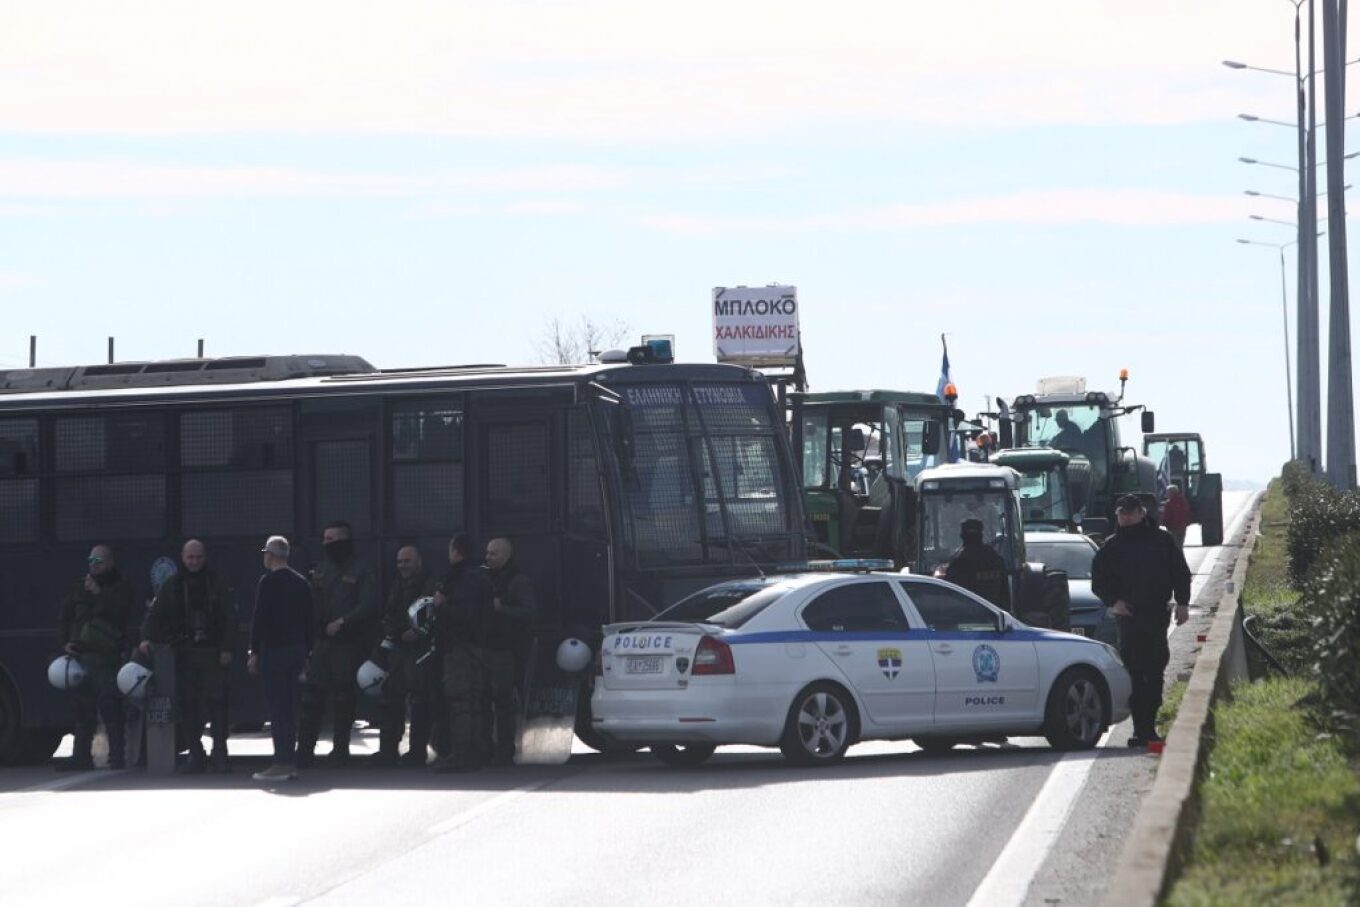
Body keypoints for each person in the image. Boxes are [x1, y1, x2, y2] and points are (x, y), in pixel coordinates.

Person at [1091, 494, 1192, 747]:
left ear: (1141, 513)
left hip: (1156, 615)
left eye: (1130, 512)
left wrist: (1182, 603)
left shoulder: (1161, 541)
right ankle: (1140, 729)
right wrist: (1114, 602)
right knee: (1134, 672)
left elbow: (1180, 572)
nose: (1125, 516)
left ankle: (1150, 725)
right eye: (1121, 512)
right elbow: (1098, 581)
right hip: (1129, 618)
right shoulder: (1112, 546)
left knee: (1155, 669)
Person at [139, 539, 237, 774]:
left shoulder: (217, 583)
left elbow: (230, 620)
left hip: (212, 652)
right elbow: (154, 616)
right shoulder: (172, 585)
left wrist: (227, 648)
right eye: (190, 557)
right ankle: (196, 753)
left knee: (218, 705)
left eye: (198, 557)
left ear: (205, 557)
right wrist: (146, 638)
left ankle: (220, 753)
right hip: (184, 653)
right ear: (183, 558)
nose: (194, 562)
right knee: (188, 705)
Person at [298, 520, 378, 767]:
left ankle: (341, 750)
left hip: (347, 643)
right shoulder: (321, 569)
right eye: (325, 539)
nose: (326, 544)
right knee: (311, 697)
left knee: (343, 697)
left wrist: (343, 622)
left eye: (331, 540)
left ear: (345, 540)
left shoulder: (361, 570)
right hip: (322, 644)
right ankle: (305, 750)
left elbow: (369, 605)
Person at [56, 544, 134, 770]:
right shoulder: (80, 587)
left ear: (110, 562)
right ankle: (81, 757)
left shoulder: (120, 586)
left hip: (107, 657)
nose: (94, 565)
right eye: (91, 561)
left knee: (110, 705)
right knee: (82, 709)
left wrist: (100, 594)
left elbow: (121, 612)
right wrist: (65, 642)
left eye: (99, 561)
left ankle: (117, 755)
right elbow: (65, 617)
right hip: (81, 656)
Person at [247, 535, 312, 782]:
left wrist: (254, 651)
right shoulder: (301, 583)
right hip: (296, 651)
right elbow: (309, 621)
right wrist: (306, 652)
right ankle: (290, 760)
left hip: (274, 651)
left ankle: (281, 762)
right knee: (291, 708)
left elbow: (260, 619)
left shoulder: (268, 582)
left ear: (270, 555)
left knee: (277, 709)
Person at [372, 546, 441, 767]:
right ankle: (388, 750)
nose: (403, 565)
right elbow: (390, 614)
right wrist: (396, 632)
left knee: (420, 701)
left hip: (420, 652)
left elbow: (434, 616)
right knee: (391, 697)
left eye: (407, 561)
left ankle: (417, 752)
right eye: (400, 561)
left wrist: (418, 633)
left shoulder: (431, 585)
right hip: (399, 651)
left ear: (419, 561)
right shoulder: (397, 585)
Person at [431, 534, 493, 773]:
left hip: (460, 647)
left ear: (456, 551)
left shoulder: (462, 579)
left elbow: (461, 615)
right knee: (474, 700)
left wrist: (441, 605)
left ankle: (462, 753)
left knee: (460, 701)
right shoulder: (481, 576)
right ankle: (476, 751)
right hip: (476, 645)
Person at [482, 537, 537, 767]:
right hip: (484, 647)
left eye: (493, 554)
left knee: (503, 702)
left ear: (505, 556)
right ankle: (486, 748)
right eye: (487, 553)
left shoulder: (517, 580)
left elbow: (530, 612)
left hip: (506, 649)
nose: (488, 557)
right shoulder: (485, 578)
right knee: (483, 701)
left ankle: (505, 750)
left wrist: (501, 608)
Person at [943, 518, 1011, 610]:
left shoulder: (958, 563)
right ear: (981, 535)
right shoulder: (996, 559)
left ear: (962, 536)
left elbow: (950, 597)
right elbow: (1005, 596)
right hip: (994, 617)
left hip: (968, 618)